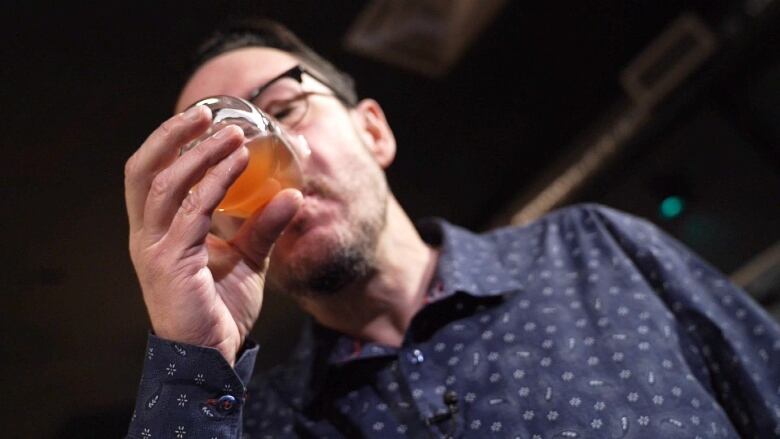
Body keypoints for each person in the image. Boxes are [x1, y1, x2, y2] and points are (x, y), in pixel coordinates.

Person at [124, 18, 780, 439]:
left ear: (372, 129)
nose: (257, 153)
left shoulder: (595, 249)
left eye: (284, 107)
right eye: (216, 154)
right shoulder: (253, 420)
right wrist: (194, 361)